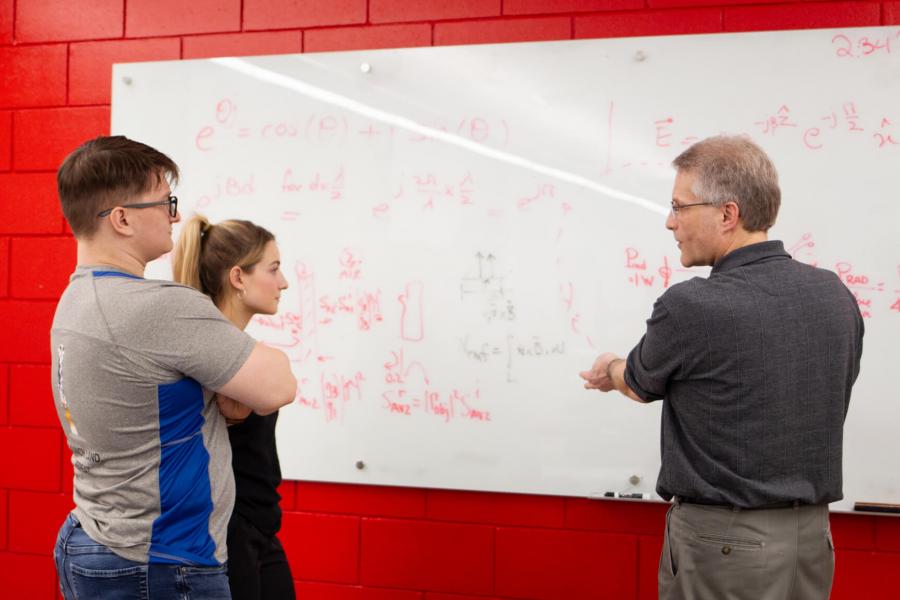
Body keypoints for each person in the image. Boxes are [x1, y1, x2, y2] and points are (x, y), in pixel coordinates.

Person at [580, 135, 864, 600]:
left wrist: (608, 368)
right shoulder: (835, 295)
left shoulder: (692, 306)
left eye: (679, 206)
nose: (671, 223)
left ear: (728, 214)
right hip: (811, 541)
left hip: (722, 545)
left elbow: (637, 381)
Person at [51, 135, 297, 599]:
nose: (176, 216)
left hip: (96, 538)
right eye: (165, 203)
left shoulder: (77, 297)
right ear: (121, 219)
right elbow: (278, 385)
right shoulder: (158, 308)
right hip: (160, 563)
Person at [172, 215, 296, 600]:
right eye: (273, 269)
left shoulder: (240, 355)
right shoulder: (204, 353)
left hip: (261, 526)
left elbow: (282, 387)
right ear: (238, 277)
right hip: (225, 533)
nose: (284, 282)